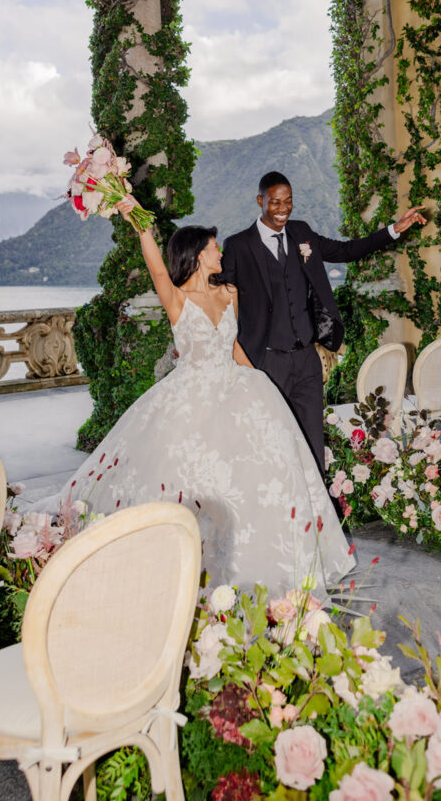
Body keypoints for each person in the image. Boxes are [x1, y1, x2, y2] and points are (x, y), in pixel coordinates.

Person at [23, 198, 356, 594]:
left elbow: (235, 349)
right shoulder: (177, 299)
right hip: (190, 396)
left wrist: (261, 389)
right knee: (186, 475)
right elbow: (157, 267)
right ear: (199, 256)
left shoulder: (229, 292)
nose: (220, 251)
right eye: (214, 247)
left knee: (258, 475)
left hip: (236, 386)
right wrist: (137, 220)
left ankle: (268, 560)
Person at [221, 172, 426, 474]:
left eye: (288, 201)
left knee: (313, 440)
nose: (282, 208)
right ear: (260, 201)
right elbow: (222, 299)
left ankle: (319, 511)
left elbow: (345, 251)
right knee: (272, 439)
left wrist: (394, 230)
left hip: (306, 358)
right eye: (275, 202)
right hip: (266, 361)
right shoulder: (238, 245)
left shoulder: (302, 232)